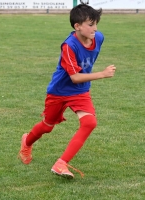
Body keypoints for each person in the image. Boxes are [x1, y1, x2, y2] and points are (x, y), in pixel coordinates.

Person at [18, 3, 116, 179]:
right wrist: (102, 74)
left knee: (89, 123)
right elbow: (75, 77)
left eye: (96, 24)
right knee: (47, 127)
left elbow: (80, 78)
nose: (95, 29)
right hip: (59, 91)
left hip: (80, 91)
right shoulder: (69, 46)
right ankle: (26, 142)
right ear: (77, 26)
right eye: (90, 24)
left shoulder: (99, 38)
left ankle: (61, 163)